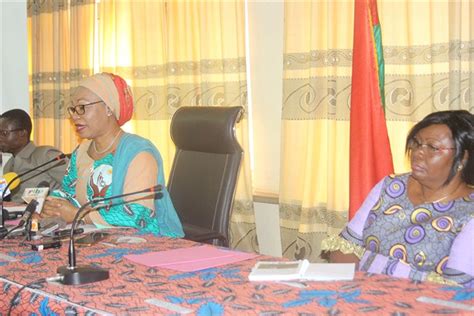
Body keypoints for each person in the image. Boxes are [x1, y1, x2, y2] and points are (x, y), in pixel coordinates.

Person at [322, 110, 474, 288]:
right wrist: (351, 289)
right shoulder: (391, 187)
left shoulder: (468, 212)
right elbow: (345, 247)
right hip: (357, 293)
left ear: (463, 158)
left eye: (432, 147)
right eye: (416, 143)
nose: (418, 152)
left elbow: (456, 290)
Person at [40, 73, 184, 238]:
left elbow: (136, 215)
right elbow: (68, 193)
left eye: (82, 107)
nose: (74, 115)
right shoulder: (82, 151)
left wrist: (77, 215)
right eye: (73, 109)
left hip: (145, 242)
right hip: (96, 238)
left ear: (108, 108)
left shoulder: (138, 152)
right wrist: (50, 206)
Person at [0, 109, 68, 203]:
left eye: (4, 133)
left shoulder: (46, 155)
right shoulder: (8, 165)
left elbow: (75, 186)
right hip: (17, 216)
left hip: (48, 216)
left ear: (22, 133)